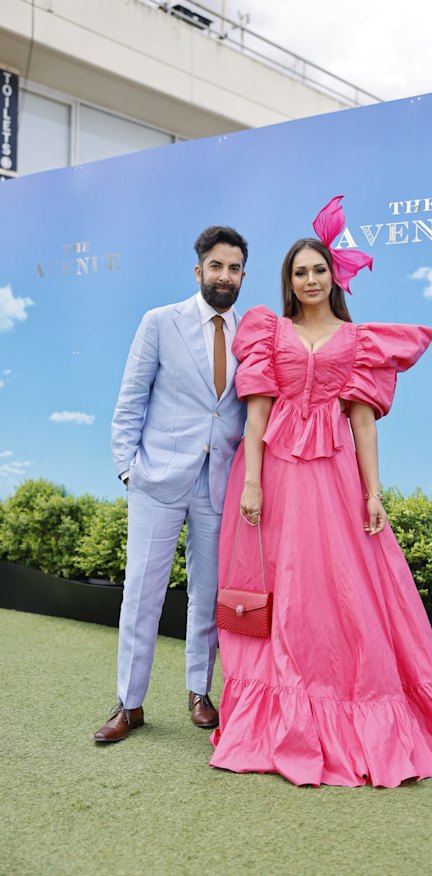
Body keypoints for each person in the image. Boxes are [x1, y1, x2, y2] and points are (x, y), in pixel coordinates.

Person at [210, 196, 432, 787]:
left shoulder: (359, 341)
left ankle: (353, 706)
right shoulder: (270, 331)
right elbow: (257, 413)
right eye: (300, 272)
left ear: (332, 276)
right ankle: (278, 713)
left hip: (337, 474)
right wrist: (251, 482)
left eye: (319, 269)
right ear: (288, 282)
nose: (311, 279)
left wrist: (374, 493)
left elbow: (364, 423)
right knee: (282, 583)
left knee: (344, 586)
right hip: (276, 475)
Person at [94, 225, 248, 743]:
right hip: (156, 479)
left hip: (219, 484)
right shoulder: (160, 322)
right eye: (217, 266)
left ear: (242, 276)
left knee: (208, 594)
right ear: (198, 269)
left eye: (234, 269)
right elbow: (130, 399)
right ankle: (129, 704)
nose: (225, 276)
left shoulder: (252, 334)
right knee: (141, 592)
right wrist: (127, 468)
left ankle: (199, 693)